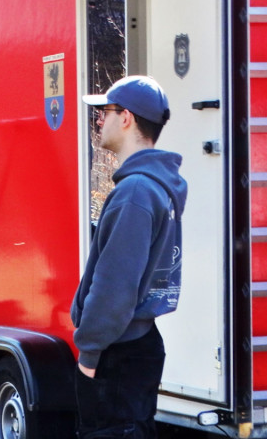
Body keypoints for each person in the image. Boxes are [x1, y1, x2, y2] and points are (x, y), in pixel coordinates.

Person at [73, 75, 188, 439]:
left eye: (104, 112)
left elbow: (114, 290)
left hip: (117, 354)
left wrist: (89, 356)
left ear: (126, 118)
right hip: (137, 346)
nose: (98, 120)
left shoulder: (136, 192)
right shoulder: (155, 186)